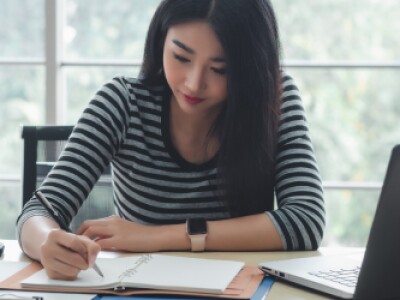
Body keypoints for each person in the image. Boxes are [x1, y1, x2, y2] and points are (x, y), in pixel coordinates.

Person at [17, 0, 325, 280]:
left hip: (240, 289)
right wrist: (48, 243)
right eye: (181, 56)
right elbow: (37, 212)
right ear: (160, 39)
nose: (194, 83)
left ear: (250, 70)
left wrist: (157, 236)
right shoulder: (123, 103)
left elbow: (305, 220)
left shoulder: (275, 99)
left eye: (220, 69)